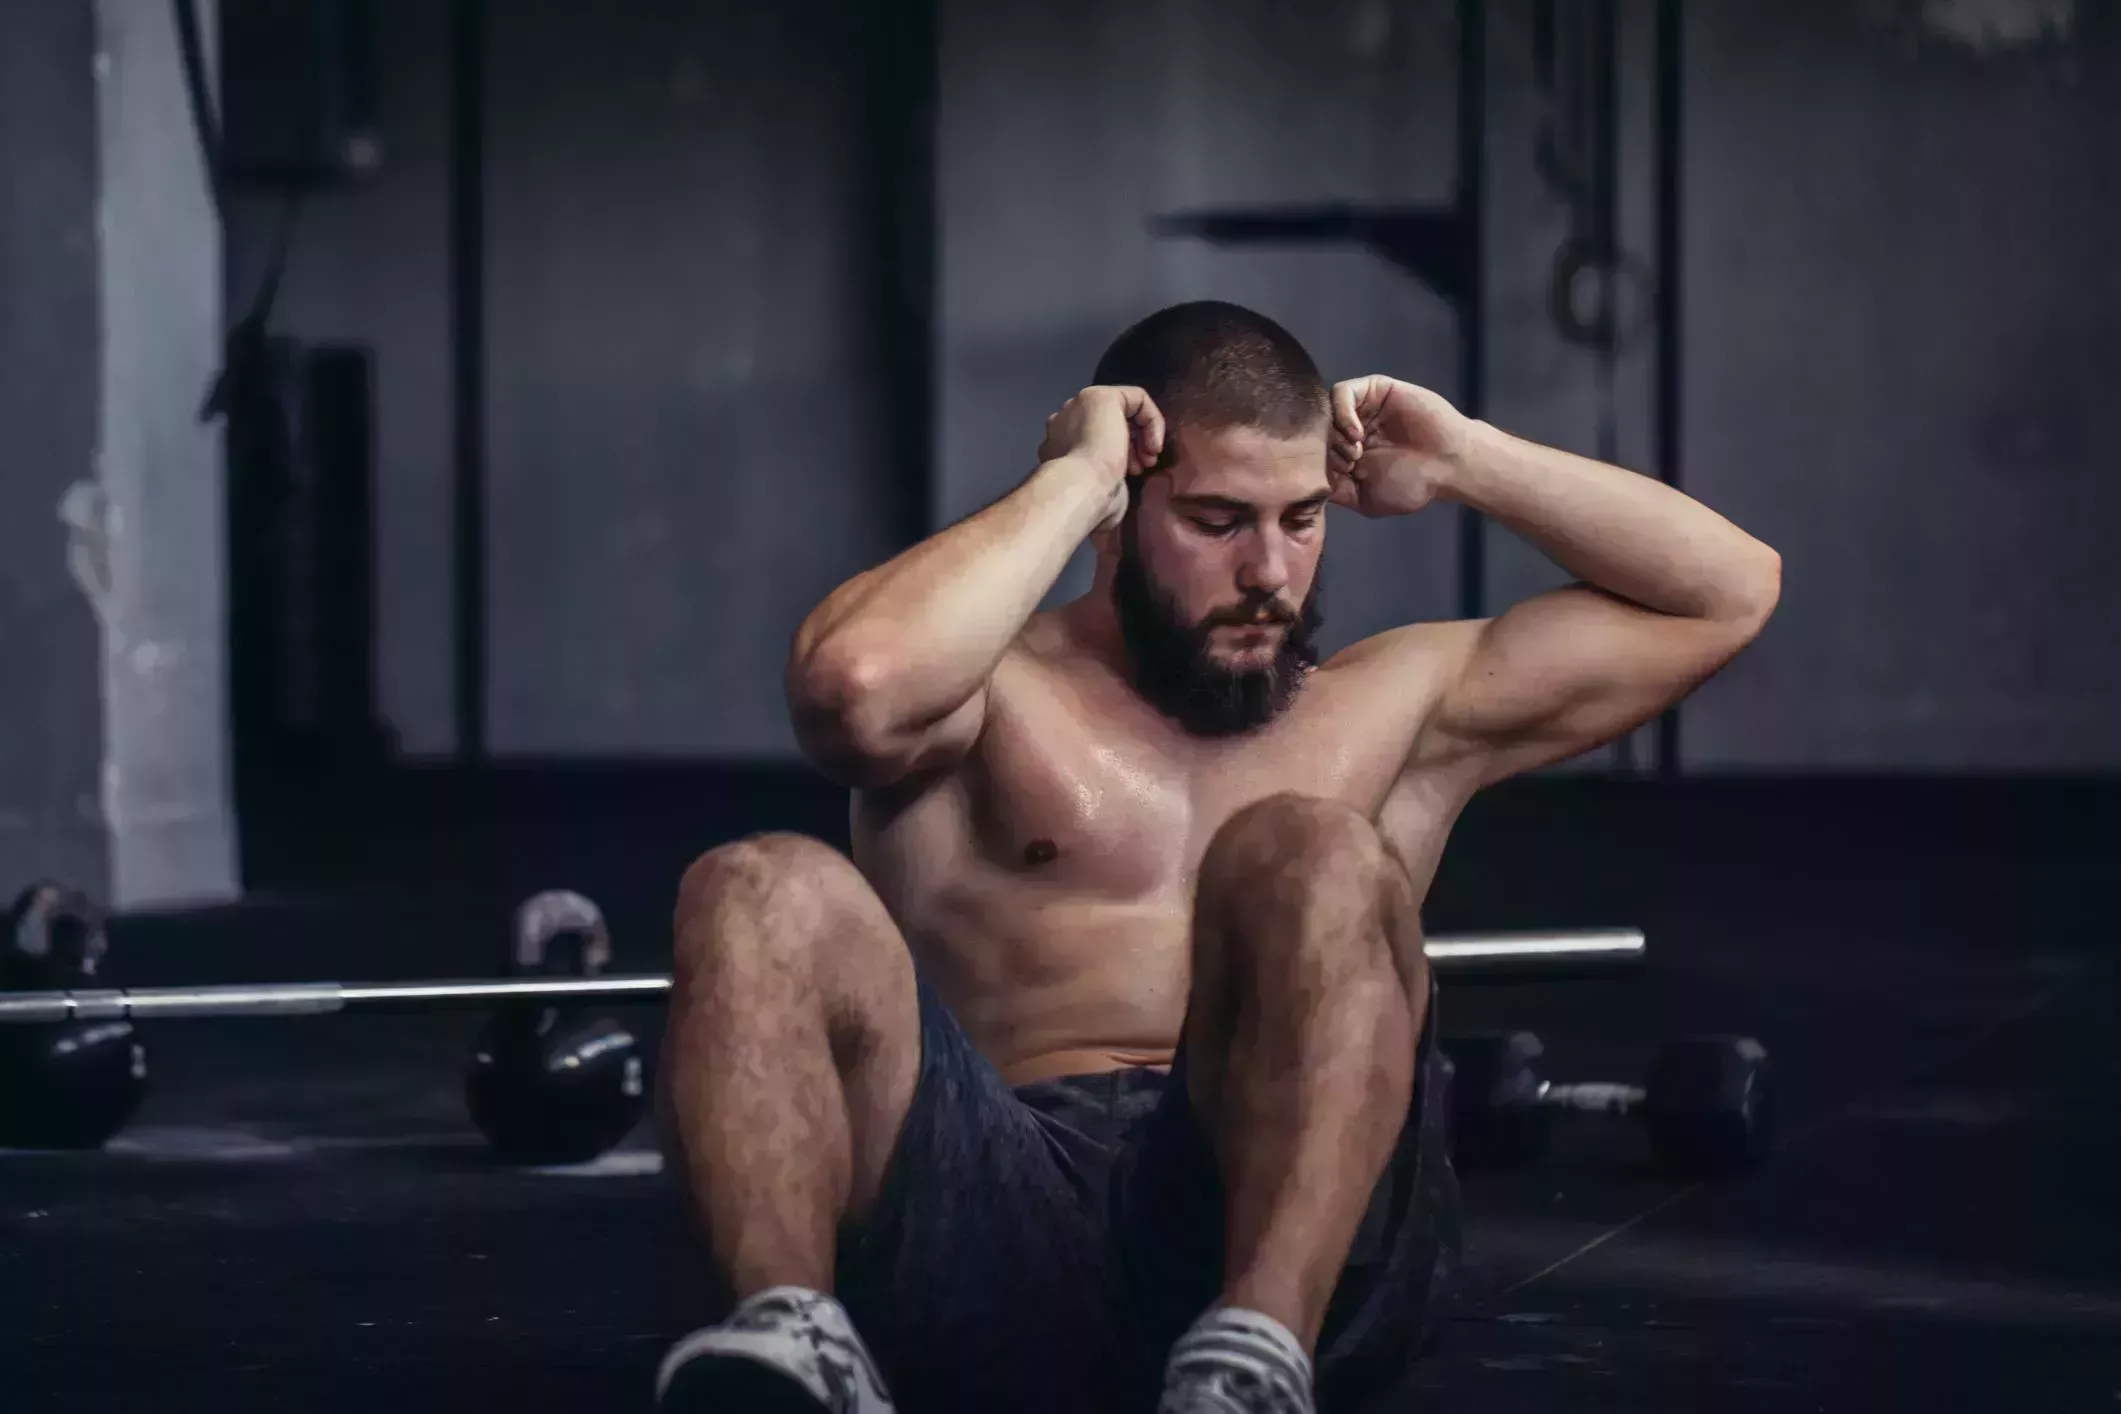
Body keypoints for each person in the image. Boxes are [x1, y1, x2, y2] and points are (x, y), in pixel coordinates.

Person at [652, 301, 1780, 1414]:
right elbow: (851, 692)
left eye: (1300, 518)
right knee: (754, 887)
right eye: (1217, 520)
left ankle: (1254, 1361)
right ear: (1121, 512)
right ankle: (798, 1350)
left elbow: (1729, 593)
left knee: (1311, 847)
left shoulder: (1391, 709)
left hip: (1283, 1212)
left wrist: (1470, 461)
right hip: (993, 1220)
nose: (1270, 573)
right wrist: (1070, 481)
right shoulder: (987, 691)